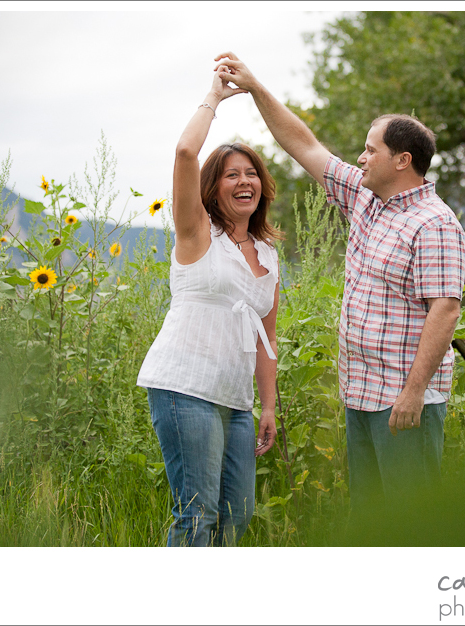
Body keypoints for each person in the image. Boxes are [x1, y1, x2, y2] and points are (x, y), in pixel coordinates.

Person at [212, 52, 465, 512]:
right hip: (361, 396)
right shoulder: (368, 200)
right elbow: (303, 145)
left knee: (411, 522)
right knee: (371, 520)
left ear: (402, 160)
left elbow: (445, 310)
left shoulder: (435, 224)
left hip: (403, 403)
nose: (361, 156)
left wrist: (413, 394)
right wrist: (255, 88)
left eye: (371, 150)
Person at [136, 66, 282, 546]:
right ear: (213, 187)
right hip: (185, 388)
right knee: (196, 516)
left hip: (236, 401)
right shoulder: (198, 233)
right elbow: (184, 152)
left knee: (237, 517)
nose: (244, 182)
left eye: (251, 174)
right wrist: (214, 97)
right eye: (230, 175)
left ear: (262, 185)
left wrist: (268, 406)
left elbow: (268, 338)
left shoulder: (268, 255)